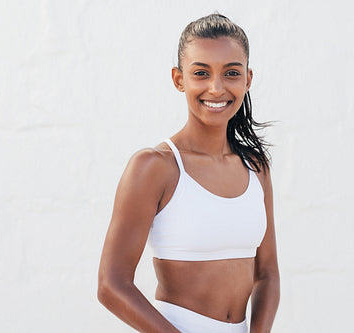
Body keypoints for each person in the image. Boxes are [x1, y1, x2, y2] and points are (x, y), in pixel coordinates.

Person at [97, 13, 280, 333]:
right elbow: (111, 285)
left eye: (231, 73)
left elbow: (266, 274)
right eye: (201, 73)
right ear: (179, 79)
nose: (216, 87)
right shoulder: (154, 167)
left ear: (247, 80)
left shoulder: (255, 167)